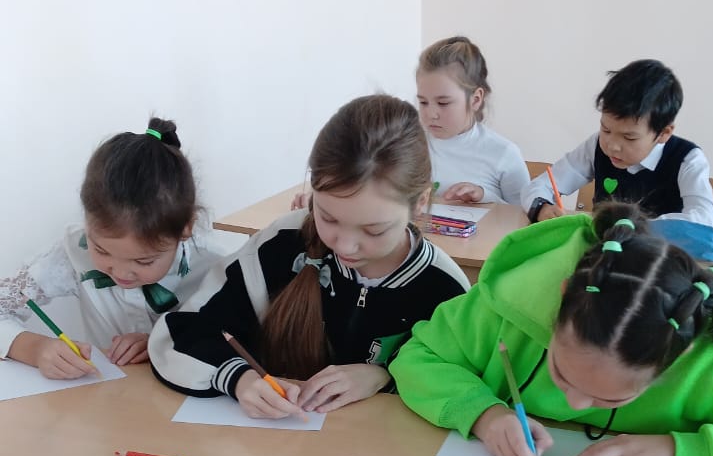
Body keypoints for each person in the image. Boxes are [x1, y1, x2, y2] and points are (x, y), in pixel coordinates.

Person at [149, 94, 469, 417]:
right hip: (275, 441)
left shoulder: (445, 288)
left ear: (421, 202)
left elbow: (466, 386)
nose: (345, 246)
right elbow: (181, 331)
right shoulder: (283, 243)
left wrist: (385, 376)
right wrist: (238, 378)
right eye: (327, 217)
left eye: (373, 230)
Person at [393, 203, 713, 456]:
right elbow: (420, 356)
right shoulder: (510, 304)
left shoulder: (707, 359)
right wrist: (484, 414)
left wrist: (684, 453)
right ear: (562, 297)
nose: (575, 403)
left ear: (680, 355)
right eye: (562, 374)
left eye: (609, 399)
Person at [0, 119, 218, 378]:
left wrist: (164, 343)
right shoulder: (72, 253)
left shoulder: (216, 268)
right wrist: (35, 348)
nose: (121, 273)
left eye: (144, 261)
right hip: (102, 396)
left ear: (186, 228)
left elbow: (238, 342)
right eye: (102, 251)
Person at [523, 60, 713, 229]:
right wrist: (541, 207)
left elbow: (704, 218)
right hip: (603, 253)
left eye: (629, 138)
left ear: (664, 133)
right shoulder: (596, 146)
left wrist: (636, 227)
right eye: (606, 129)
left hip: (659, 256)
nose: (612, 146)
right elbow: (540, 185)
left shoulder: (686, 159)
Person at [415, 35, 528, 206]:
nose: (431, 114)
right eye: (423, 102)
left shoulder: (504, 153)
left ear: (475, 100)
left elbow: (526, 215)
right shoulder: (411, 146)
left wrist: (484, 196)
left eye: (443, 103)